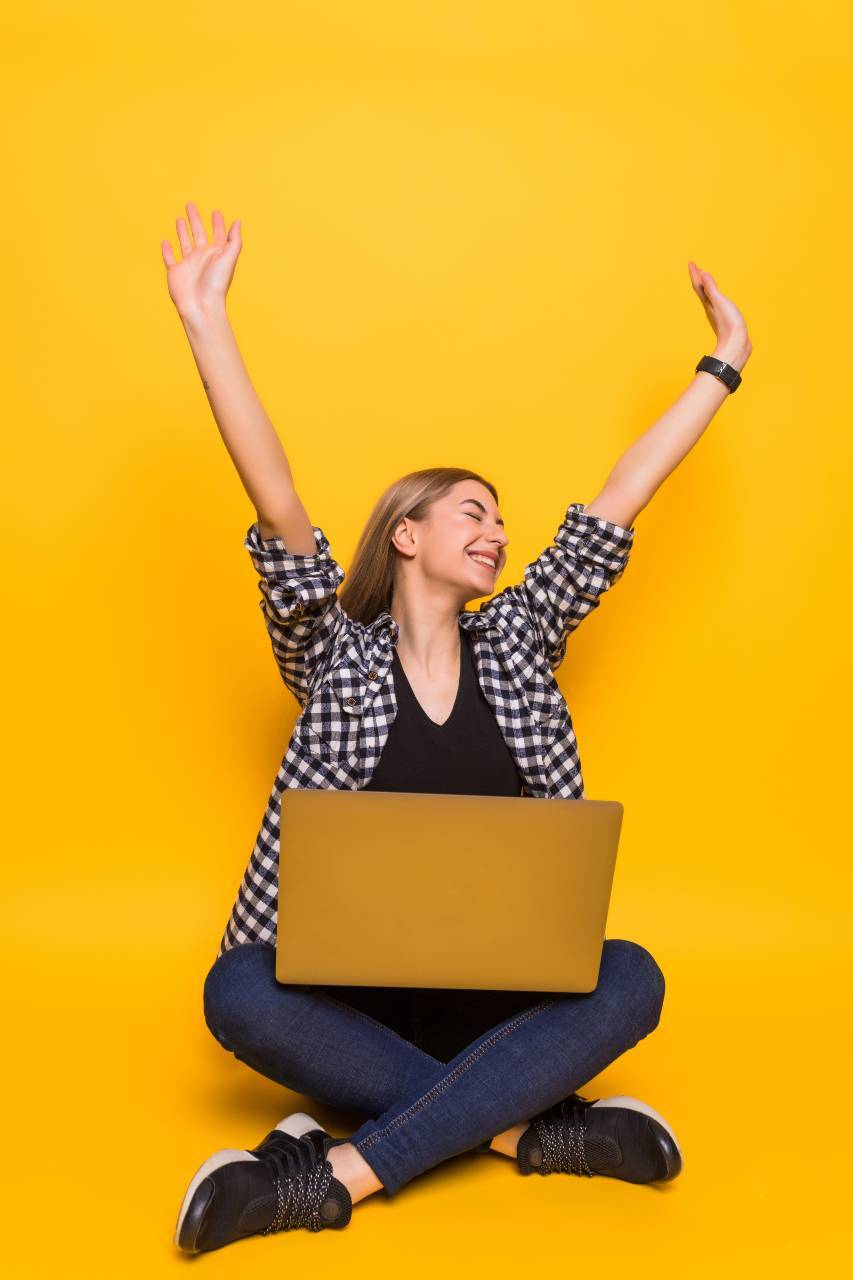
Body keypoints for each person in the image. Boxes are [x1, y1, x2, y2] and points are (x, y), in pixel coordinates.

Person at [161, 203, 752, 1253]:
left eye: (501, 518)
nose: (497, 530)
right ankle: (518, 1125)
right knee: (236, 986)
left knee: (634, 974)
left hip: (497, 1003)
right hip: (346, 1009)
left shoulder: (520, 642)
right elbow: (278, 495)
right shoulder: (334, 656)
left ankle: (333, 1171)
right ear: (408, 532)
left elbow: (621, 495)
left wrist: (723, 363)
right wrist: (206, 319)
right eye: (471, 511)